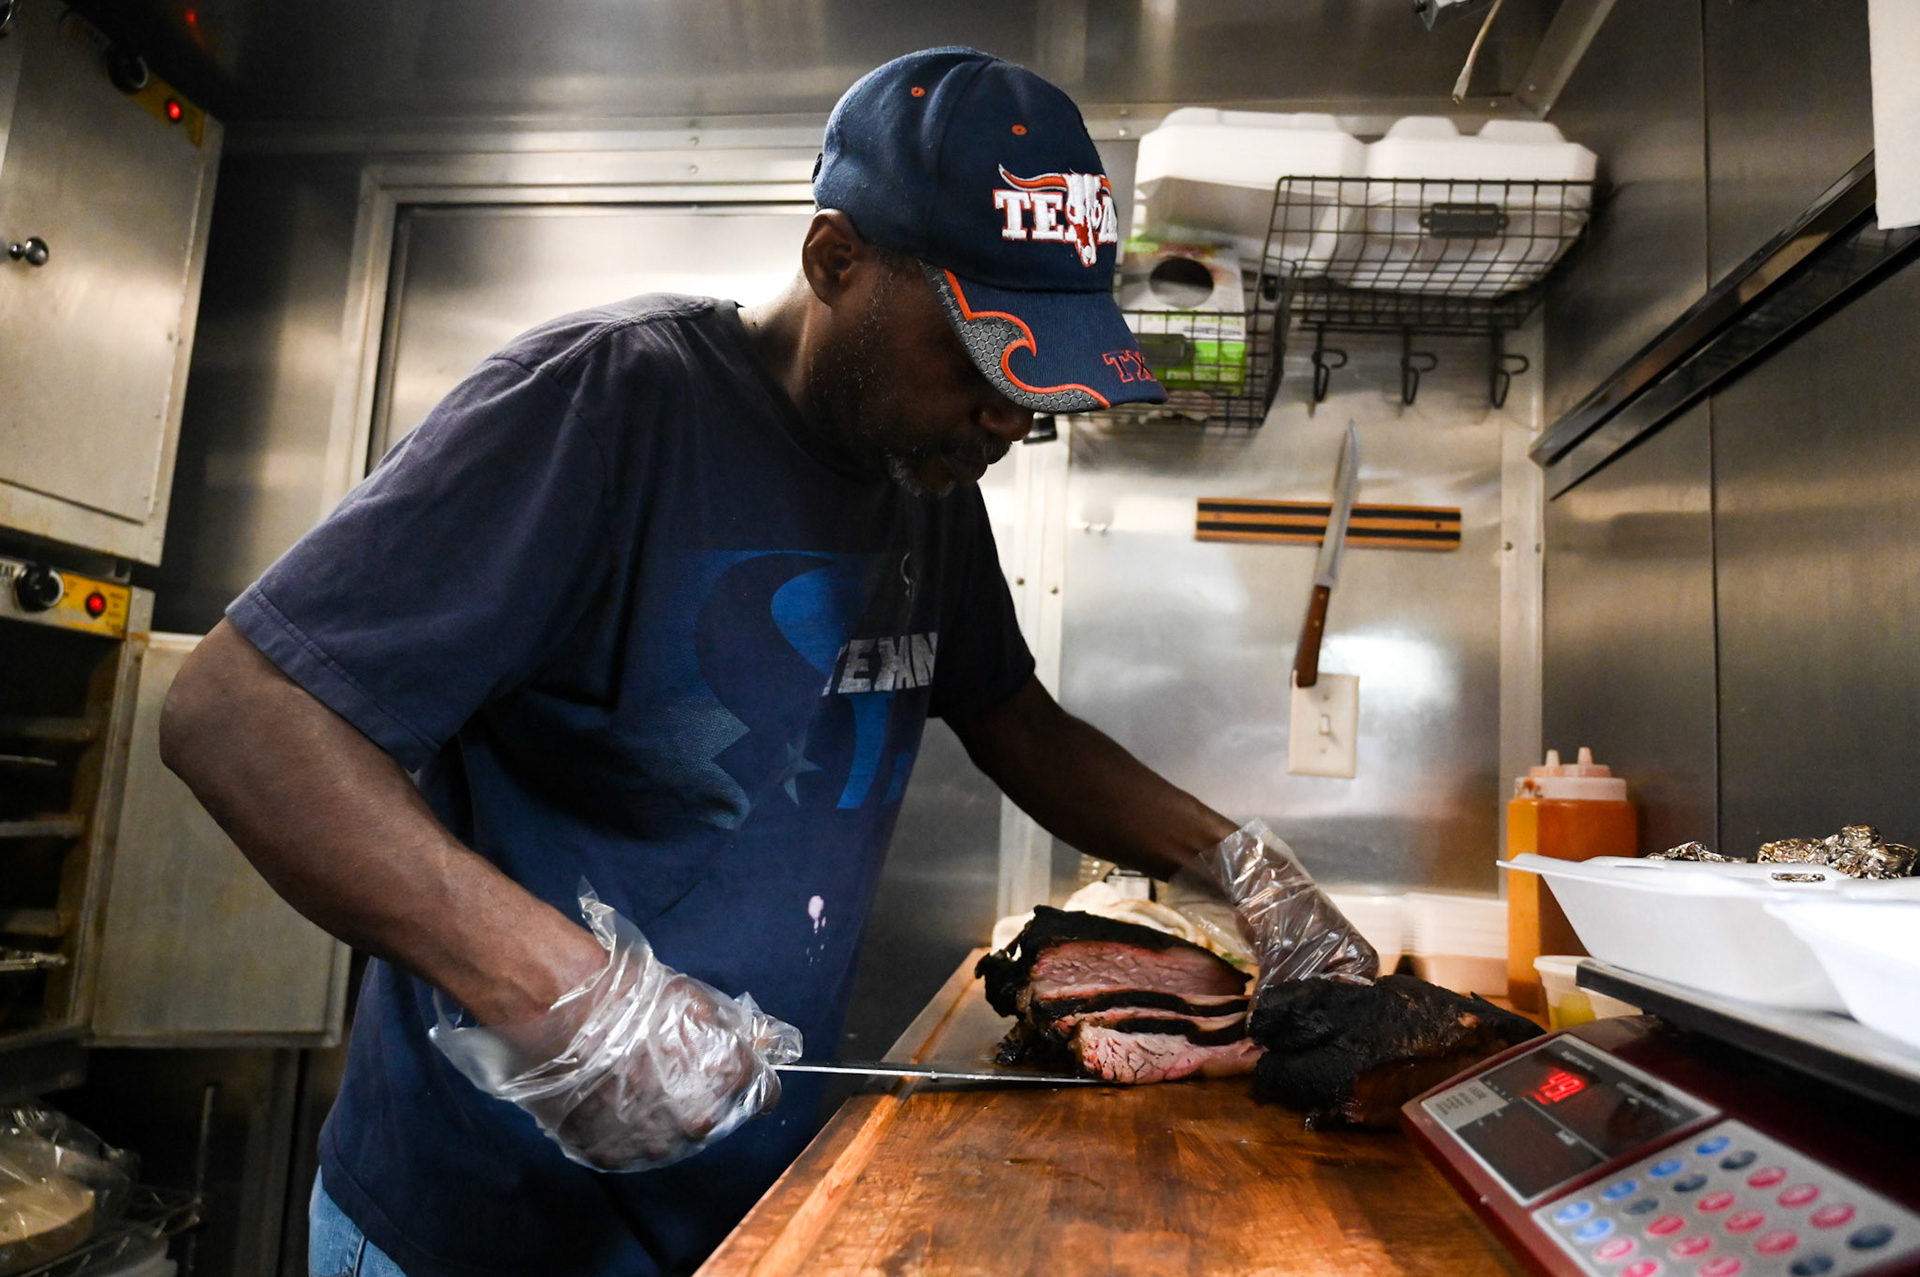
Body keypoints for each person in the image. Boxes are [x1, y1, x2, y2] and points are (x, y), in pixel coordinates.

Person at [160, 47, 1320, 1277]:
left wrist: (1246, 871)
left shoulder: (923, 473)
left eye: (1036, 386)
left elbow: (1013, 718)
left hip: (742, 1207)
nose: (1011, 420)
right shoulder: (607, 404)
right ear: (835, 261)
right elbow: (239, 711)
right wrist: (571, 994)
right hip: (479, 1224)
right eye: (984, 361)